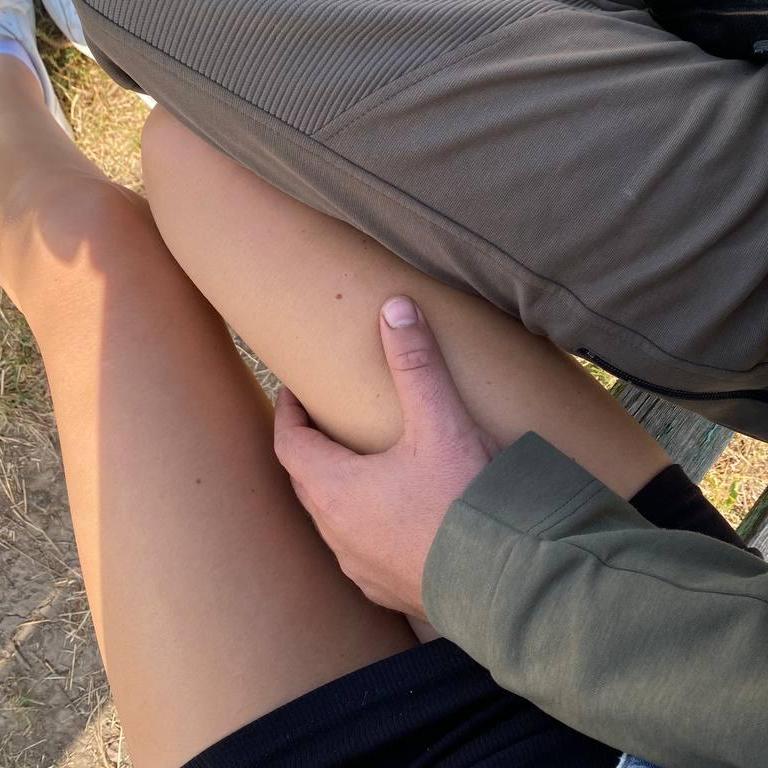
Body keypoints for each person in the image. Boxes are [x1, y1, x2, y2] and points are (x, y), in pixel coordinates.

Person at [0, 3, 765, 768]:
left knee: (91, 260)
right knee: (205, 157)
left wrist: (480, 568)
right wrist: (498, 568)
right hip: (682, 642)